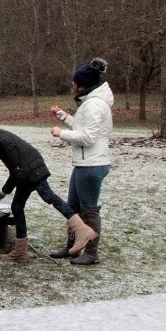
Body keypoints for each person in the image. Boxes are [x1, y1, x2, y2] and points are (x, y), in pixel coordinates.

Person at [0, 125, 98, 263]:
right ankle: (20, 252)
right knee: (17, 207)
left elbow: (10, 149)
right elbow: (14, 172)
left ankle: (81, 229)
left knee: (49, 197)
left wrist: (18, 167)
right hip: (27, 171)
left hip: (31, 170)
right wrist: (2, 193)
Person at [50, 57, 113, 265]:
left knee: (89, 210)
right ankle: (73, 248)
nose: (72, 86)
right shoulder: (89, 103)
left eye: (74, 83)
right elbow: (81, 126)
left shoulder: (94, 105)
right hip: (84, 164)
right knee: (73, 207)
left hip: (92, 164)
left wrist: (61, 134)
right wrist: (64, 117)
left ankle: (91, 253)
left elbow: (88, 137)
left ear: (82, 85)